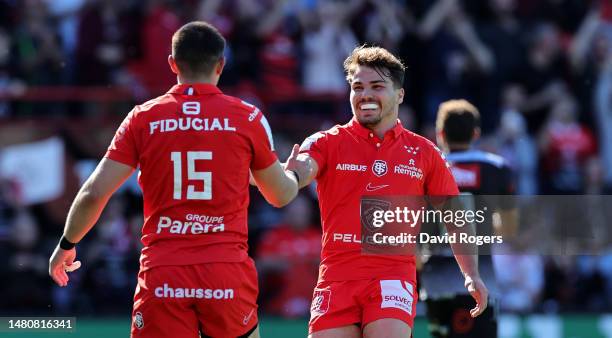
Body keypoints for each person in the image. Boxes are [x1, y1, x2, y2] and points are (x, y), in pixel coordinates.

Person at [49, 21, 310, 338]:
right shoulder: (248, 117)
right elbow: (280, 195)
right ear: (221, 65)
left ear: (172, 63)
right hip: (224, 270)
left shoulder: (143, 118)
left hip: (163, 271)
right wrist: (295, 172)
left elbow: (94, 193)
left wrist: (67, 244)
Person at [288, 46, 488, 338]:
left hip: (392, 276)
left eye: (377, 86)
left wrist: (471, 275)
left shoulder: (424, 152)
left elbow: (456, 216)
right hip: (336, 278)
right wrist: (291, 173)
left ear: (400, 95)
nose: (365, 94)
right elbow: (303, 168)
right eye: (358, 87)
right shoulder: (327, 142)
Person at [421, 99, 518, 337]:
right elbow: (509, 227)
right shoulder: (497, 168)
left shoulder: (427, 167)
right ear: (476, 133)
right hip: (481, 278)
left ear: (440, 133)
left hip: (436, 278)